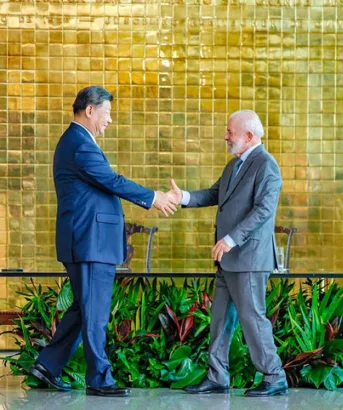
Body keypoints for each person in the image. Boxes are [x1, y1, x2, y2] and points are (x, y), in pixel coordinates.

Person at [30, 86, 178, 397]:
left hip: (88, 240)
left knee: (85, 309)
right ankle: (99, 379)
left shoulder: (78, 142)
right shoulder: (80, 145)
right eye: (107, 113)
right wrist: (154, 197)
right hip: (89, 242)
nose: (110, 120)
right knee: (95, 311)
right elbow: (112, 181)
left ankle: (48, 364)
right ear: (89, 110)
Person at [167, 110, 287, 397]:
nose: (225, 136)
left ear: (249, 135)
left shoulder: (266, 165)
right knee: (220, 319)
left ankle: (274, 377)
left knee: (252, 319)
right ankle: (217, 377)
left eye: (230, 132)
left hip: (247, 258)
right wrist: (182, 196)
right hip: (227, 259)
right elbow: (213, 195)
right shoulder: (234, 165)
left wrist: (232, 239)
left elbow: (263, 211)